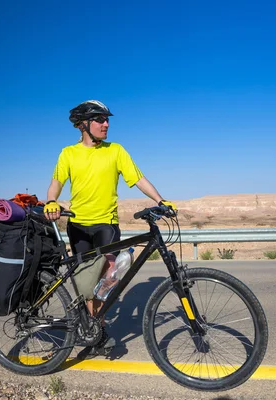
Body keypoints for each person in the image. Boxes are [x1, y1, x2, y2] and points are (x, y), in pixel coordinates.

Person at [43, 100, 176, 354]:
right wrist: (51, 201)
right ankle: (94, 331)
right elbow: (56, 183)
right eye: (100, 119)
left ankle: (95, 325)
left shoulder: (115, 150)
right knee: (86, 282)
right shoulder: (68, 154)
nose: (106, 124)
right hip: (79, 225)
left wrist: (160, 200)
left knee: (109, 274)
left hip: (107, 224)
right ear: (84, 124)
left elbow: (137, 178)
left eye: (107, 120)